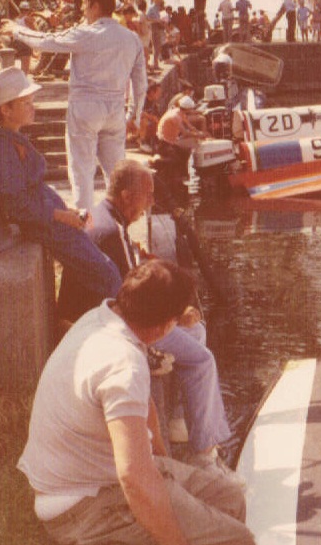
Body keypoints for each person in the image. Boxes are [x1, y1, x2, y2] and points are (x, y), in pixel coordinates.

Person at [18, 259, 261, 545]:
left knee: (230, 499)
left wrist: (163, 461)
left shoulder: (103, 318)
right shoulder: (123, 364)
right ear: (166, 325)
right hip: (82, 508)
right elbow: (133, 477)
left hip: (90, 481)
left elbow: (142, 405)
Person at [57, 158, 235, 466]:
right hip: (105, 327)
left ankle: (183, 418)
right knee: (203, 359)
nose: (152, 202)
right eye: (147, 194)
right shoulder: (111, 232)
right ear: (126, 196)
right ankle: (204, 454)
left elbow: (125, 281)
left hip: (100, 316)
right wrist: (176, 314)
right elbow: (131, 304)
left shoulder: (105, 218)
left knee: (197, 331)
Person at [0, 66, 122, 304]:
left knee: (102, 268)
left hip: (51, 221)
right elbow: (17, 204)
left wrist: (66, 211)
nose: (33, 107)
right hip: (45, 225)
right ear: (6, 109)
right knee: (107, 274)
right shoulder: (2, 149)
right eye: (26, 103)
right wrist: (60, 216)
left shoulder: (11, 140)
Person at [4, 0, 148, 211]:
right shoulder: (131, 39)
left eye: (84, 5)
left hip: (85, 109)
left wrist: (16, 30)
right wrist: (135, 116)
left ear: (95, 6)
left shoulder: (87, 34)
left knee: (82, 173)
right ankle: (122, 228)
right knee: (117, 177)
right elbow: (141, 83)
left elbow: (47, 41)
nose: (82, 10)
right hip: (115, 110)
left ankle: (86, 228)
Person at [157, 96, 208, 172]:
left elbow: (190, 127)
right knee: (194, 142)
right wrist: (200, 135)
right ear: (188, 109)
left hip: (170, 140)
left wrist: (199, 133)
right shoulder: (176, 116)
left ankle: (185, 172)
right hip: (165, 142)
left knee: (193, 142)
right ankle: (188, 171)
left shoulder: (179, 112)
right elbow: (186, 133)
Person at [147, 0, 167, 72]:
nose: (158, 1)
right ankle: (155, 64)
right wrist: (157, 21)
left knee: (158, 46)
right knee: (155, 46)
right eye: (157, 0)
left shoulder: (158, 8)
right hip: (153, 27)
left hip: (158, 27)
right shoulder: (151, 8)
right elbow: (147, 18)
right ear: (155, 0)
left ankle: (156, 63)